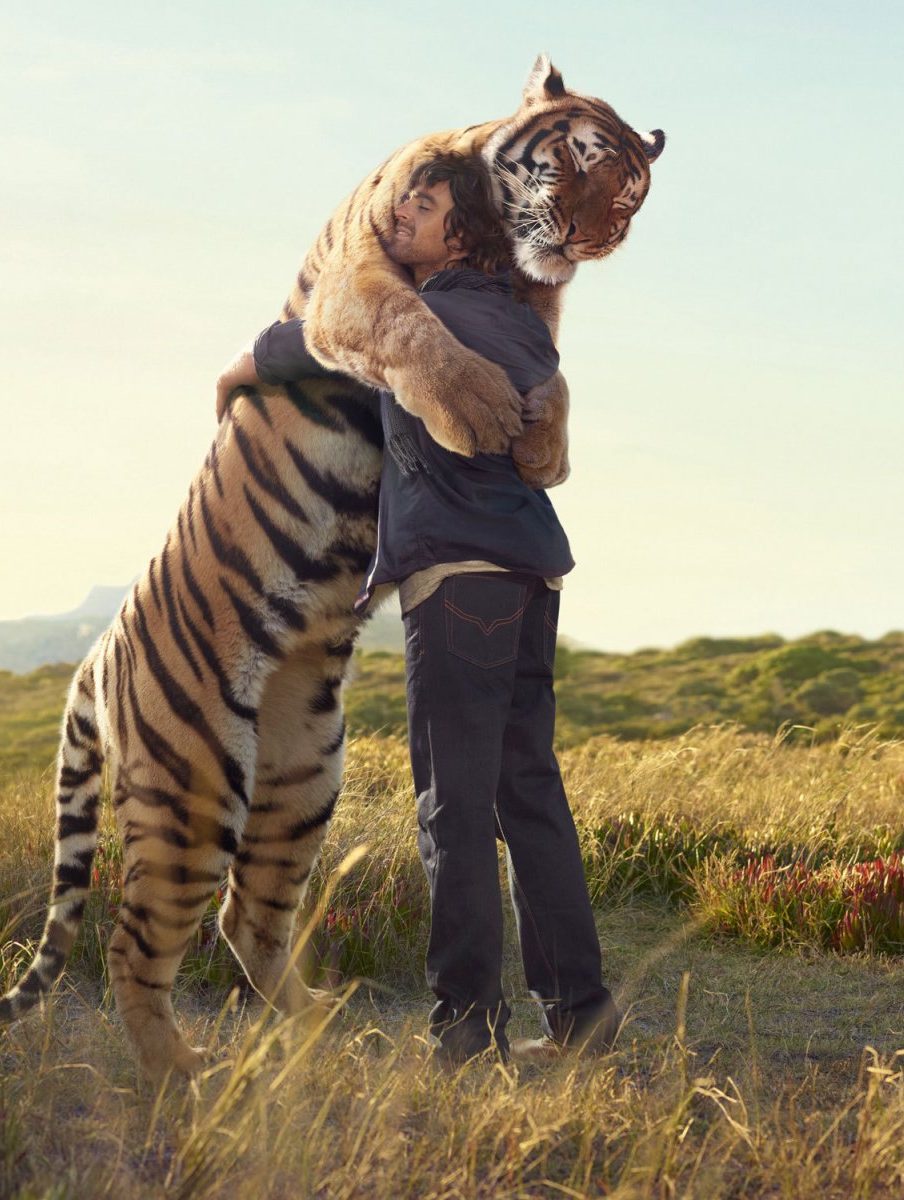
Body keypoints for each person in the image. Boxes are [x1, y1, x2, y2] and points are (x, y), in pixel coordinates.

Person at [217, 155, 618, 1065]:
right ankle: (581, 1018)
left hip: (459, 581)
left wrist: (239, 364)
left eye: (427, 207)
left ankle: (466, 1034)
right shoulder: (520, 321)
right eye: (404, 199)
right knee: (531, 800)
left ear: (466, 234)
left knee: (454, 809)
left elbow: (327, 335)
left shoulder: (426, 317)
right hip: (530, 575)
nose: (401, 216)